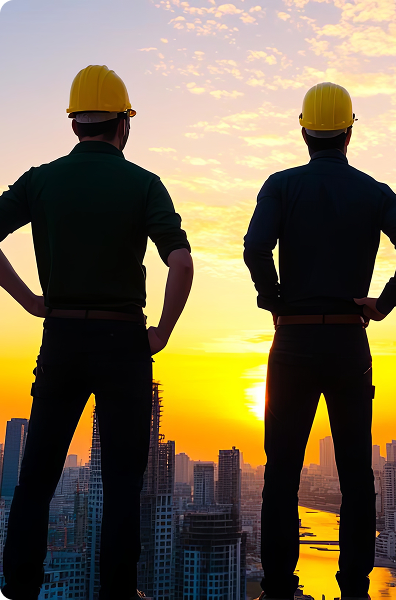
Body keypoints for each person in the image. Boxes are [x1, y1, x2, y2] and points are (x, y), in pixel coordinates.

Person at [0, 65, 193, 600]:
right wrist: (162, 332)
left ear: (74, 125)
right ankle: (118, 591)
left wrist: (30, 299)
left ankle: (18, 589)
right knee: (123, 485)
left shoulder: (40, 179)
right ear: (123, 125)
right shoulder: (143, 184)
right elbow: (181, 265)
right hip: (124, 343)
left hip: (60, 337)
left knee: (36, 479)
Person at [244, 82, 396, 600]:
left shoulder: (280, 186)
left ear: (303, 130)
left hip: (294, 343)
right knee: (354, 474)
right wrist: (384, 302)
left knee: (281, 471)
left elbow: (255, 247)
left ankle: (278, 586)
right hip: (350, 343)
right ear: (350, 132)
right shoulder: (373, 190)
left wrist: (274, 300)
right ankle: (354, 589)